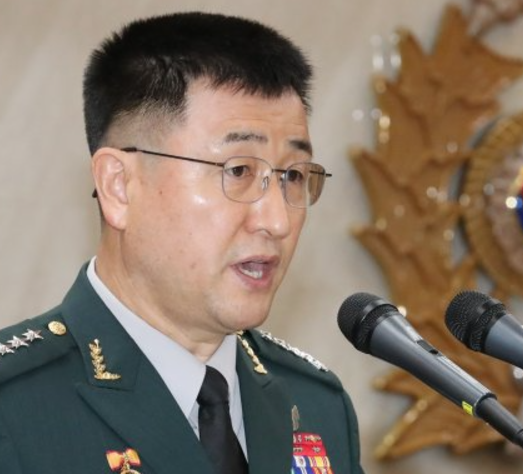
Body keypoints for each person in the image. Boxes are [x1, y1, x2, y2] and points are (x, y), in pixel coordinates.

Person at [0, 12, 364, 474]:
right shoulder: (14, 408)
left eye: (292, 176)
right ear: (118, 186)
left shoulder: (318, 406)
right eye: (238, 171)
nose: (277, 221)